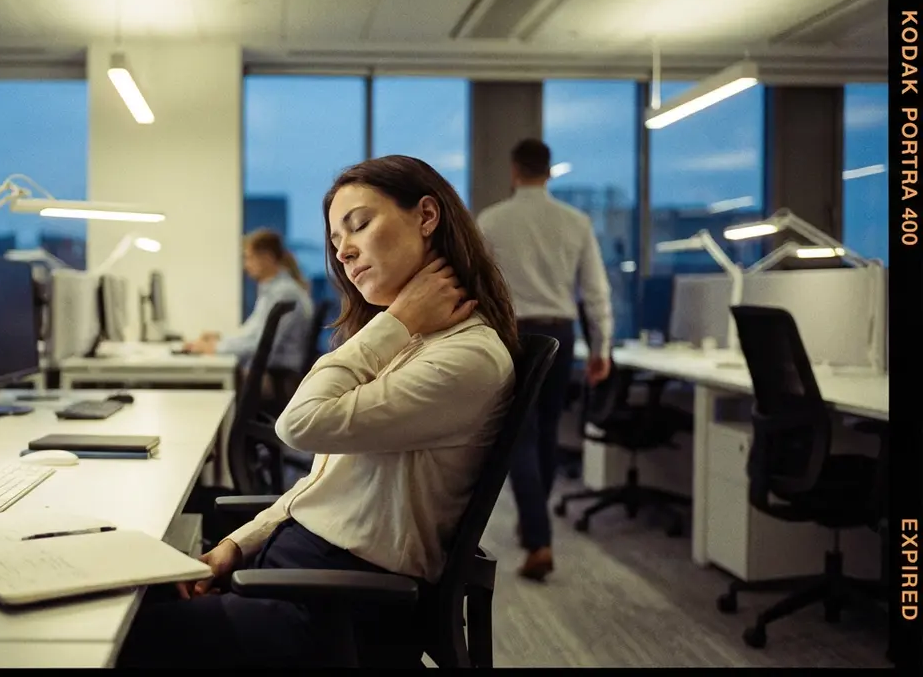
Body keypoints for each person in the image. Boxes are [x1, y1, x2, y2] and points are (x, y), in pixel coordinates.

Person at [117, 155, 520, 668]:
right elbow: (322, 487)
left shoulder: (466, 357)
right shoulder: (413, 344)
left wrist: (392, 321)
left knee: (116, 636)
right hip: (298, 576)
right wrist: (235, 547)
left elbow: (298, 423)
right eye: (335, 242)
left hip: (335, 609)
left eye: (359, 226)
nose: (345, 252)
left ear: (426, 216)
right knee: (116, 596)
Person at [475, 137, 614, 582]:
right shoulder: (575, 221)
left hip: (513, 334)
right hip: (561, 331)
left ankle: (538, 538)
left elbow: (477, 287)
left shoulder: (491, 221)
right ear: (549, 171)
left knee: (521, 436)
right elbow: (595, 291)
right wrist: (602, 347)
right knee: (549, 430)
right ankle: (536, 526)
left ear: (515, 170)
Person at [185, 229, 314, 374]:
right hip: (271, 371)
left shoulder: (283, 293)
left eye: (249, 257)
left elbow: (261, 345)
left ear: (267, 258)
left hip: (277, 374)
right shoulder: (273, 290)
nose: (246, 265)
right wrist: (220, 339)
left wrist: (215, 347)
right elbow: (253, 334)